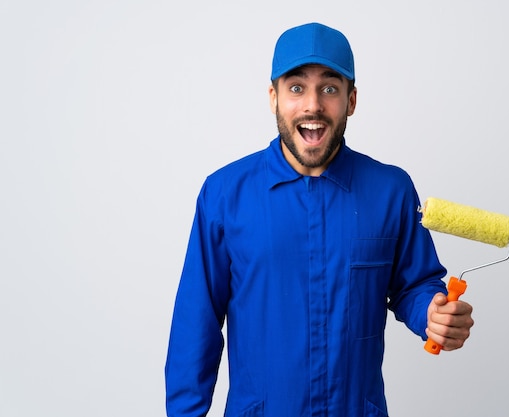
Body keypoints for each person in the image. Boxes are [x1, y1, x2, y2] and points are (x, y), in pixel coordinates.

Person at [165, 22, 474, 417]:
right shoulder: (225, 194)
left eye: (329, 88)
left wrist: (432, 312)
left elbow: (413, 284)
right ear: (273, 97)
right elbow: (196, 322)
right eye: (296, 88)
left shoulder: (391, 191)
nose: (312, 105)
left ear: (351, 100)